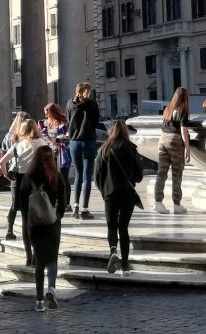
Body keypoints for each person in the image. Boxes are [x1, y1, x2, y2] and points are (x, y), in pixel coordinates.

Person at [17, 136, 68, 312]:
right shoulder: (56, 175)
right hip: (52, 222)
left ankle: (38, 302)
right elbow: (64, 201)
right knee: (52, 258)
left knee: (39, 260)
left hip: (34, 224)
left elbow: (21, 202)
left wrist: (29, 216)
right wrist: (57, 215)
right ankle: (51, 289)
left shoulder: (28, 176)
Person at [95, 119, 144, 276]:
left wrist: (103, 190)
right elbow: (138, 174)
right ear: (125, 131)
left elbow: (97, 175)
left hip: (110, 192)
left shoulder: (104, 149)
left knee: (111, 226)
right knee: (123, 228)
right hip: (127, 193)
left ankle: (113, 251)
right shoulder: (131, 148)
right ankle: (125, 266)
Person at [0, 118, 48, 265]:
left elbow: (1, 162)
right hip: (38, 181)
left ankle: (28, 256)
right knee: (39, 219)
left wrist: (7, 176)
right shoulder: (42, 144)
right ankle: (38, 254)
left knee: (25, 220)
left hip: (21, 182)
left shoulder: (18, 146)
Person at [152, 86, 191, 214]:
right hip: (175, 141)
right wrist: (187, 148)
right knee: (176, 174)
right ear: (184, 98)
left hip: (162, 139)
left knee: (161, 172)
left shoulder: (168, 109)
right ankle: (177, 204)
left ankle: (158, 202)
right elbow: (183, 130)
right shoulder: (182, 110)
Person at [66, 82, 101, 219]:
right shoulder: (92, 104)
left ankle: (75, 207)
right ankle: (85, 209)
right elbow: (96, 122)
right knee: (87, 177)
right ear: (87, 91)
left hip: (74, 142)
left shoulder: (70, 103)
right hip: (88, 141)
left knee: (78, 175)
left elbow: (69, 120)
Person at [0, 112, 29, 237]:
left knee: (14, 204)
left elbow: (3, 152)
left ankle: (9, 230)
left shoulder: (9, 136)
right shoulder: (27, 137)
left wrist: (6, 175)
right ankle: (26, 232)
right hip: (25, 172)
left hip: (14, 172)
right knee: (25, 207)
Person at [40, 103, 71, 186]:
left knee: (63, 177)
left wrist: (56, 139)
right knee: (52, 177)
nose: (46, 116)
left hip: (62, 153)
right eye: (45, 114)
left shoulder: (63, 123)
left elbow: (68, 136)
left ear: (53, 112)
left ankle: (65, 197)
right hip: (50, 153)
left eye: (47, 114)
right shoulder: (45, 123)